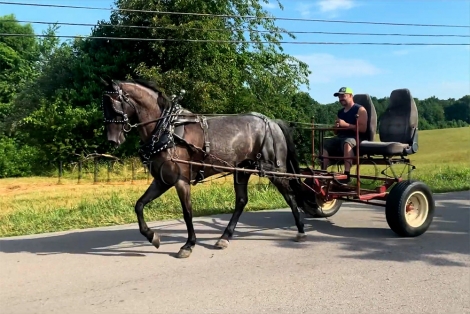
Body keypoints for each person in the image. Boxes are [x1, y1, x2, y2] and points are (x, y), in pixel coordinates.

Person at [321, 87, 368, 182]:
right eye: (339, 97)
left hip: (355, 137)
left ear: (351, 96)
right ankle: (322, 173)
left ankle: (347, 174)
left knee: (347, 143)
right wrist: (336, 127)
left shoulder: (360, 110)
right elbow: (336, 132)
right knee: (325, 144)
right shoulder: (340, 112)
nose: (340, 98)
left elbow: (363, 128)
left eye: (343, 96)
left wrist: (345, 125)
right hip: (340, 137)